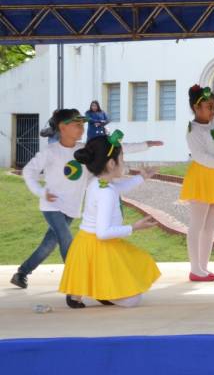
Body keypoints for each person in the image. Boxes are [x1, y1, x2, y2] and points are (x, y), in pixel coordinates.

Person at [10, 108, 162, 290]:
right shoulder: (50, 152)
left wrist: (145, 145)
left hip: (71, 208)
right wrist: (41, 192)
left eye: (83, 124)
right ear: (62, 127)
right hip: (52, 207)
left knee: (49, 245)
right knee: (67, 243)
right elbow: (29, 171)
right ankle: (76, 285)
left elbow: (112, 149)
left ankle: (21, 274)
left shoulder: (84, 150)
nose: (82, 128)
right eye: (77, 125)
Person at [59, 131, 160, 308]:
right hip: (98, 245)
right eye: (122, 158)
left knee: (134, 268)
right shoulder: (105, 192)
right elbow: (103, 233)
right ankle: (96, 292)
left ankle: (97, 291)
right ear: (112, 163)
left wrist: (142, 177)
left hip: (90, 243)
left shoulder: (100, 183)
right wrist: (134, 227)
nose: (124, 162)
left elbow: (118, 187)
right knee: (132, 300)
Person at [179, 55, 214, 282]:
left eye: (212, 107)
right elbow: (202, 157)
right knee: (197, 225)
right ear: (195, 107)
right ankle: (195, 268)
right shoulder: (194, 131)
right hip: (201, 176)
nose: (212, 110)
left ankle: (204, 267)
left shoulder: (211, 124)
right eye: (207, 107)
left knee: (210, 226)